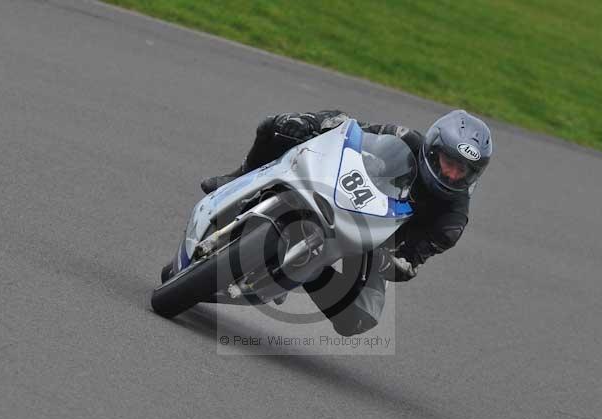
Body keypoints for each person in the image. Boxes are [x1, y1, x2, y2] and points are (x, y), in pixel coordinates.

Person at [201, 110, 493, 336]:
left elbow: (411, 261)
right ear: (433, 149)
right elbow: (349, 130)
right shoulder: (404, 138)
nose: (453, 174)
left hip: (376, 241)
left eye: (462, 169)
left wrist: (395, 262)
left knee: (359, 320)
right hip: (350, 191)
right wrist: (311, 122)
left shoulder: (452, 221)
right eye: (449, 162)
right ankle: (238, 177)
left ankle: (308, 272)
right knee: (276, 126)